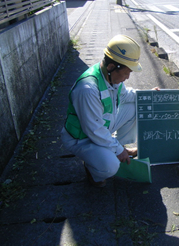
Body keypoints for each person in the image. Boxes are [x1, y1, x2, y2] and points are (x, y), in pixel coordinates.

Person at [61, 34, 156, 187]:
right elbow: (94, 130)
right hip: (82, 138)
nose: (127, 77)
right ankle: (93, 169)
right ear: (112, 67)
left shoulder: (110, 76)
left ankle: (115, 146)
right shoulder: (87, 90)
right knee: (110, 166)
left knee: (136, 105)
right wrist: (117, 150)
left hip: (101, 127)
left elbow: (126, 96)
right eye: (126, 72)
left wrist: (148, 95)